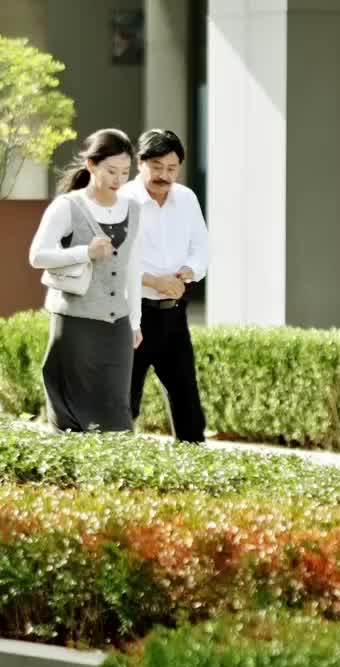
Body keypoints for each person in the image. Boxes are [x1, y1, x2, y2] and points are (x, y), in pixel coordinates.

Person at [28, 127, 143, 433]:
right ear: (91, 165)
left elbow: (133, 267)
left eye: (125, 172)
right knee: (74, 412)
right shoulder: (68, 206)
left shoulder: (133, 209)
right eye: (111, 171)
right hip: (74, 322)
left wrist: (135, 321)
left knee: (117, 410)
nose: (119, 179)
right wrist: (85, 252)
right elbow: (37, 256)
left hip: (117, 323)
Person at [122, 127, 209, 444]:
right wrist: (152, 280)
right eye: (157, 167)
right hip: (133, 315)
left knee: (187, 399)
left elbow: (201, 248)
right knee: (125, 399)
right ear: (140, 163)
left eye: (172, 168)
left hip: (173, 313)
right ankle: (116, 462)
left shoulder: (186, 198)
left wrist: (187, 272)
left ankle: (193, 461)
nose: (164, 175)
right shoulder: (123, 200)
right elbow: (115, 259)